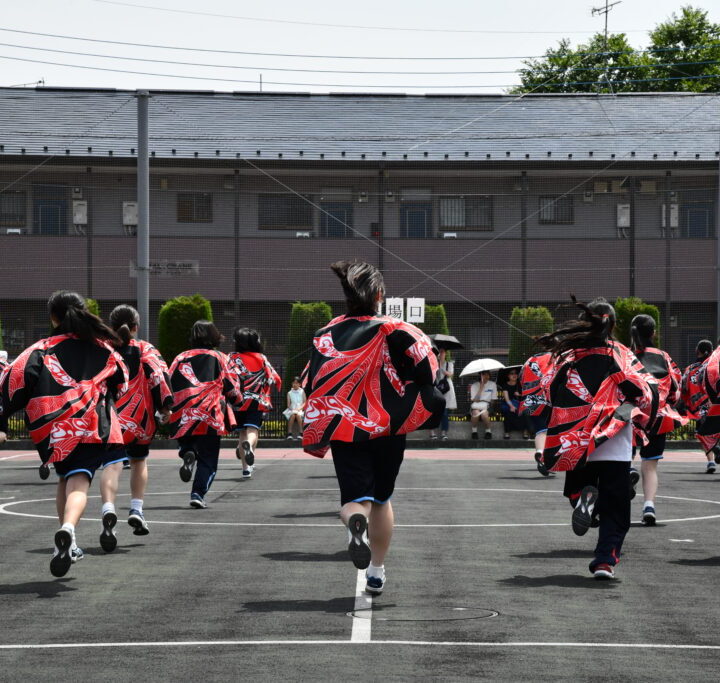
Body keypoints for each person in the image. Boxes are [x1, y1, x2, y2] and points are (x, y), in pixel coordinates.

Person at [303, 260, 444, 596]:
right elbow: (429, 368)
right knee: (382, 498)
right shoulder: (396, 328)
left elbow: (312, 379)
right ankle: (377, 571)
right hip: (389, 427)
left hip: (344, 426)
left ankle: (355, 520)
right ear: (380, 294)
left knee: (356, 498)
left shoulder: (326, 332)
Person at [0, 291, 128, 577]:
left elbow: (12, 380)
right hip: (92, 427)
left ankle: (68, 544)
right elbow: (122, 381)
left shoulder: (41, 349)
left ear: (53, 317)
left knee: (65, 478)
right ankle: (68, 530)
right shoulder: (104, 349)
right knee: (80, 485)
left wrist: (4, 418)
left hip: (56, 431)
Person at [537, 297, 658, 580]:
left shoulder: (569, 355)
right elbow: (645, 392)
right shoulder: (621, 352)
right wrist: (635, 417)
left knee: (578, 489)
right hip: (614, 439)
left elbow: (548, 391)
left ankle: (585, 500)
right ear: (613, 324)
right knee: (617, 507)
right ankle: (605, 561)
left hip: (577, 439)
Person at [96, 305, 173, 550]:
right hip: (140, 419)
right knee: (139, 462)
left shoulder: (102, 348)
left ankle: (108, 510)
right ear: (136, 326)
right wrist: (165, 408)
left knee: (112, 465)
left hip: (109, 419)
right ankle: (136, 509)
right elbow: (160, 377)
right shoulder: (145, 349)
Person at [168, 321, 241, 509]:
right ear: (215, 336)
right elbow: (231, 386)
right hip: (210, 410)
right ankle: (197, 494)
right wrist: (237, 400)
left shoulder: (181, 357)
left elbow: (168, 382)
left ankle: (187, 452)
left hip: (185, 409)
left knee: (188, 439)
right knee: (208, 457)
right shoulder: (220, 357)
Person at [629, 314, 686, 526]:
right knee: (650, 465)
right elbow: (676, 389)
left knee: (624, 458)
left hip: (630, 416)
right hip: (658, 417)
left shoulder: (626, 355)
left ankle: (628, 473)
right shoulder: (664, 356)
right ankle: (649, 506)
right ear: (654, 333)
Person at [228, 327, 282, 477]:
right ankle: (249, 447)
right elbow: (275, 378)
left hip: (237, 401)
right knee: (252, 430)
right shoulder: (261, 358)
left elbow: (225, 377)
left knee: (242, 432)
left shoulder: (232, 358)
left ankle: (246, 468)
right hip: (257, 401)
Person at [682, 340, 718, 474]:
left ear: (698, 351)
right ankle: (716, 449)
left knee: (703, 433)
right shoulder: (715, 365)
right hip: (715, 404)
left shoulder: (690, 369)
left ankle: (711, 461)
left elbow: (684, 387)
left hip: (699, 407)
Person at [519, 350, 555, 476]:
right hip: (550, 399)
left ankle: (540, 451)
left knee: (540, 430)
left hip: (531, 399)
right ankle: (548, 459)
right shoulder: (557, 358)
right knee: (552, 431)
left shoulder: (529, 360)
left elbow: (521, 379)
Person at [430, 348, 456, 440]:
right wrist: (436, 365)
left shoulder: (449, 364)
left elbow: (450, 374)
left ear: (445, 353)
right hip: (436, 388)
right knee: (434, 411)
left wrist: (441, 368)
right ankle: (432, 432)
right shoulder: (433, 363)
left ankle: (444, 432)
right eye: (439, 352)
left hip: (447, 389)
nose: (441, 354)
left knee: (445, 413)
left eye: (442, 352)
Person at [499, 368, 531, 440]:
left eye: (515, 373)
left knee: (524, 412)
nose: (514, 375)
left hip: (520, 403)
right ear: (508, 376)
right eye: (512, 373)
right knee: (507, 412)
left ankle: (525, 431)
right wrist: (511, 406)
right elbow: (506, 398)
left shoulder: (521, 384)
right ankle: (507, 432)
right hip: (508, 404)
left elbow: (527, 395)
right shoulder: (505, 385)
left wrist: (519, 395)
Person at [468, 371, 496, 440]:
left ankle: (488, 431)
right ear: (480, 376)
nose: (486, 377)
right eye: (484, 375)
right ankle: (474, 431)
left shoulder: (493, 384)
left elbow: (493, 399)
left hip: (487, 405)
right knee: (476, 413)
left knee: (484, 414)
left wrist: (488, 404)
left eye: (487, 375)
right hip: (476, 405)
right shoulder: (474, 385)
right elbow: (474, 400)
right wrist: (481, 388)